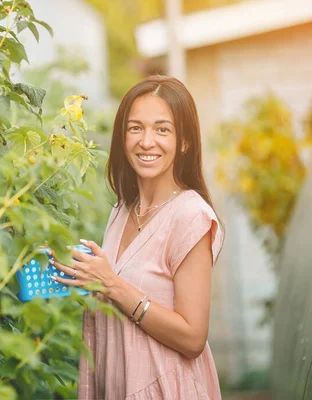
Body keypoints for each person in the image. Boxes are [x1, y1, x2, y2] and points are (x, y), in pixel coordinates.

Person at [49, 75, 224, 399]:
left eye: (162, 129)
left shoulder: (190, 216)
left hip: (166, 389)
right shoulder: (123, 208)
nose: (146, 141)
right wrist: (79, 273)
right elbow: (118, 285)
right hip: (116, 383)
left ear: (184, 142)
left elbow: (192, 338)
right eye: (135, 128)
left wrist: (112, 284)